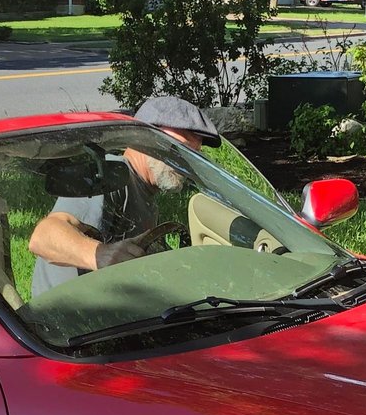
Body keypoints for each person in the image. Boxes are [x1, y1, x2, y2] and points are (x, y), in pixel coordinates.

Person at [27, 95, 222, 298]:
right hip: (65, 319)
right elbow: (43, 238)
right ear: (140, 139)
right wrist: (101, 254)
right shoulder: (112, 177)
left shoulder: (145, 194)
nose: (184, 163)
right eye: (176, 148)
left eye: (192, 154)